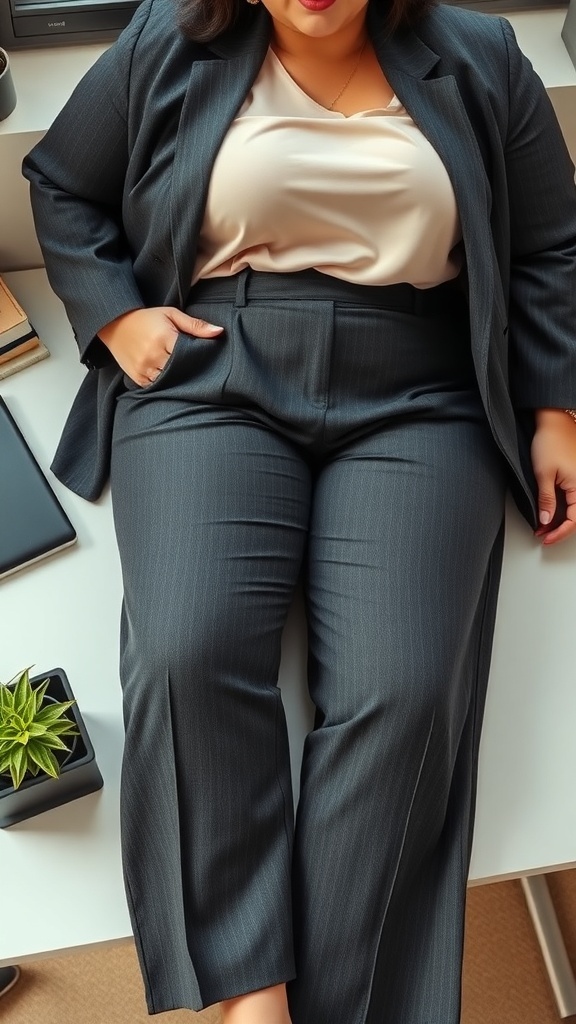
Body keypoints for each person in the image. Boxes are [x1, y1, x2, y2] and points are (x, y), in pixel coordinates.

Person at [22, 0, 576, 1020]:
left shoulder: (483, 55)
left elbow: (551, 240)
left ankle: (347, 997)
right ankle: (251, 990)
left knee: (407, 691)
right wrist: (114, 316)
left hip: (420, 386)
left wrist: (555, 410)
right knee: (185, 651)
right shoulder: (166, 37)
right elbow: (61, 182)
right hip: (213, 362)